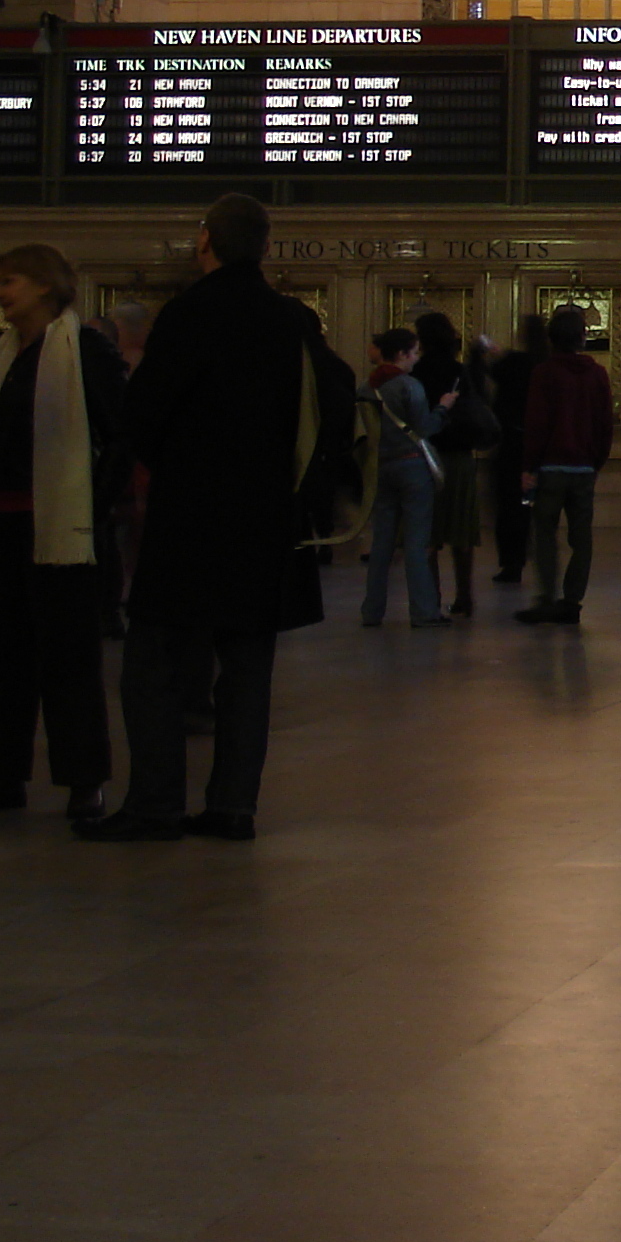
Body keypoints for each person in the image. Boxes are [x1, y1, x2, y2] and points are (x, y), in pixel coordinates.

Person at [85, 194, 351, 841]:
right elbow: (335, 404)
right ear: (263, 246)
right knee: (248, 667)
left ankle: (155, 803)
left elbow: (141, 413)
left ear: (205, 240)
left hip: (191, 513)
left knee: (152, 657)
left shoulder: (188, 314)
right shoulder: (292, 319)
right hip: (267, 516)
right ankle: (234, 805)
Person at [0, 245, 126, 823]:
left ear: (45, 286)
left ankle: (83, 780)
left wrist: (94, 502)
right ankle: (1, 775)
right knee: (2, 656)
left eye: (8, 281)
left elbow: (119, 433)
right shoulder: (2, 354)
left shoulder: (84, 351)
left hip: (60, 528)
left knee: (67, 658)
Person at [515, 304, 613, 626]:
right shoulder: (598, 374)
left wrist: (529, 466)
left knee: (544, 534)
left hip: (550, 467)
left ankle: (546, 597)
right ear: (583, 339)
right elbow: (604, 424)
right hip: (584, 468)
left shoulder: (544, 373)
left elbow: (536, 423)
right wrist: (596, 461)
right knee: (581, 538)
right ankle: (572, 601)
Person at [359, 327, 454, 627]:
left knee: (382, 542)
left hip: (382, 466)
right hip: (412, 466)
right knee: (416, 542)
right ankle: (424, 611)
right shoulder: (408, 386)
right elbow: (424, 427)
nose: (416, 359)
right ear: (401, 354)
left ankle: (372, 611)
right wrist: (443, 407)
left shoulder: (367, 387)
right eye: (413, 353)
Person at [411, 311, 488, 614]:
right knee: (462, 530)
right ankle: (465, 596)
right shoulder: (461, 371)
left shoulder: (416, 373)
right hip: (460, 455)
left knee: (428, 531)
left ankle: (432, 596)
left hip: (425, 455)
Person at [488, 314, 548, 585]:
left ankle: (512, 562)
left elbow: (492, 371)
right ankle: (544, 565)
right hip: (543, 445)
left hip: (511, 443)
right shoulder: (546, 365)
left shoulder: (514, 363)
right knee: (534, 506)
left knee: (510, 505)